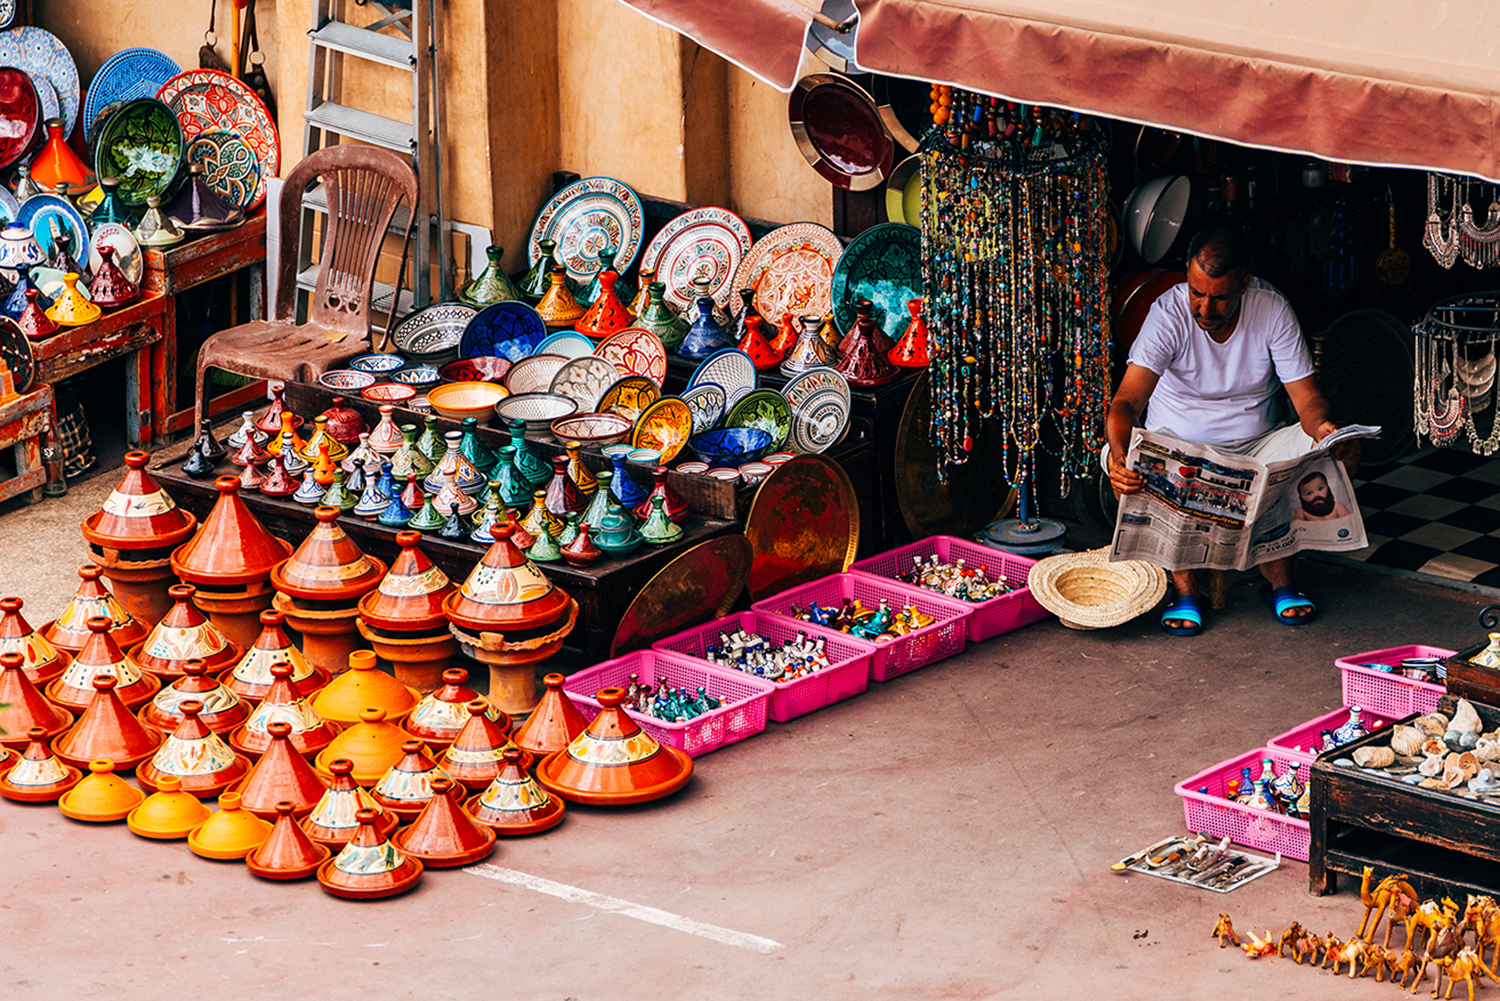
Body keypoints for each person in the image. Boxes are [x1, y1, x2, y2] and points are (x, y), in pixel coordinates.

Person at [1105, 228, 1359, 635]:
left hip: (1255, 445)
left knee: (1318, 451)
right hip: (1180, 443)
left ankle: (1281, 583)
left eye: (1219, 297)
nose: (1204, 308)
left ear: (1244, 284)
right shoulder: (1167, 313)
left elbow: (1307, 400)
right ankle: (1186, 591)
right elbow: (1126, 403)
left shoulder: (1272, 309)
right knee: (1146, 461)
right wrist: (1120, 454)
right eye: (1195, 293)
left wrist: (1323, 430)